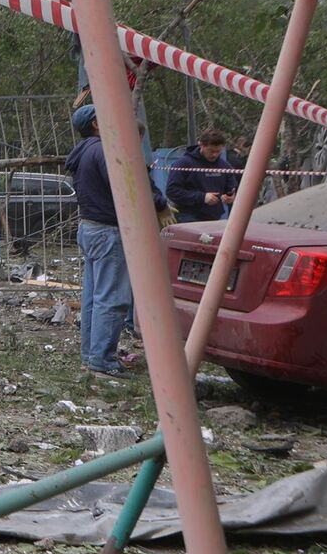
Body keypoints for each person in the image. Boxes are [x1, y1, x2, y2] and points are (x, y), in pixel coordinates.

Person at [66, 104, 167, 379]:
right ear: (97, 124)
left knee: (94, 296)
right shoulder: (104, 150)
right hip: (110, 231)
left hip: (90, 227)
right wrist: (159, 202)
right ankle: (103, 359)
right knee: (113, 299)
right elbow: (128, 185)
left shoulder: (85, 150)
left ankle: (92, 353)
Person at [166, 128, 235, 224]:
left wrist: (230, 197)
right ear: (201, 145)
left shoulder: (224, 166)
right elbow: (172, 191)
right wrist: (202, 197)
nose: (215, 155)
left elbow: (232, 188)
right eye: (211, 151)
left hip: (214, 218)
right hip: (187, 218)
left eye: (218, 151)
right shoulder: (183, 163)